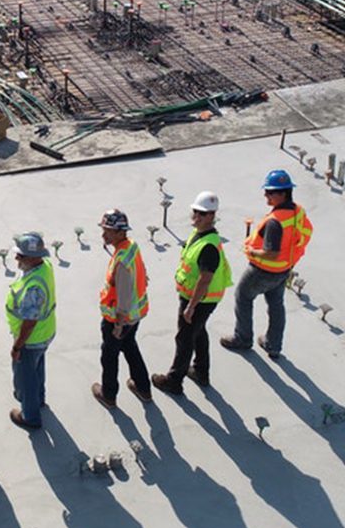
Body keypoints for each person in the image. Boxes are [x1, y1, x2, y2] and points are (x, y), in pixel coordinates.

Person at [221, 168, 313, 360]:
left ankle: (243, 338)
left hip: (263, 271)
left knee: (243, 297)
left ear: (283, 194)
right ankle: (274, 345)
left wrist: (252, 251)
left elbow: (271, 253)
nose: (266, 195)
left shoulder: (274, 222)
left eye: (270, 192)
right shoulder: (297, 211)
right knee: (276, 304)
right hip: (284, 269)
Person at [152, 192, 232, 394]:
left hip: (199, 300)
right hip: (197, 299)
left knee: (185, 338)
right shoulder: (200, 235)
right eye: (195, 212)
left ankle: (174, 381)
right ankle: (201, 371)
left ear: (212, 216)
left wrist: (191, 307)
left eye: (202, 214)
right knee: (198, 332)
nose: (196, 217)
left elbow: (205, 279)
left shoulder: (208, 247)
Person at [93, 209, 152, 408]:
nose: (103, 234)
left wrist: (118, 324)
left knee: (109, 356)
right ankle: (143, 387)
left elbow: (124, 297)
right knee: (130, 347)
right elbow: (142, 271)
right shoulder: (131, 247)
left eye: (108, 231)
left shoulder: (122, 261)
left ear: (120, 233)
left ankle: (108, 394)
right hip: (135, 316)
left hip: (119, 320)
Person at [6, 233, 56, 431]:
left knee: (25, 377)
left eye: (21, 256)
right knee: (37, 368)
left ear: (33, 258)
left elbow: (29, 321)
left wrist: (17, 346)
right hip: (45, 334)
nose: (17, 259)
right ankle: (39, 400)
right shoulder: (45, 267)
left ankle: (30, 416)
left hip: (31, 339)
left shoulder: (34, 287)